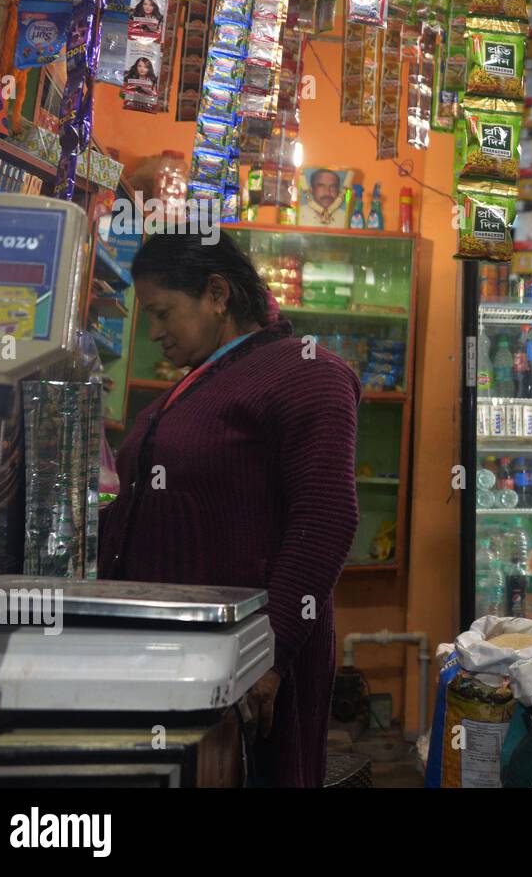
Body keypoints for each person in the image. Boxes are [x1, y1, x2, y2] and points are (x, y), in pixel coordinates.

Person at [98, 233, 360, 787]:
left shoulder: (307, 372)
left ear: (217, 293)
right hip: (178, 659)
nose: (154, 333)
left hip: (248, 665)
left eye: (163, 312)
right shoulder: (197, 384)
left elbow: (327, 518)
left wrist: (270, 658)